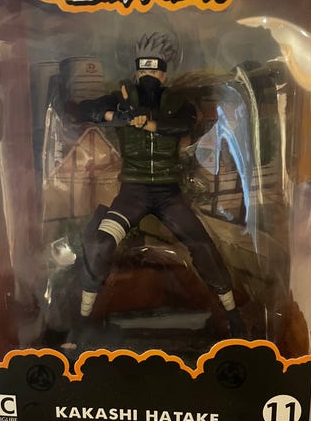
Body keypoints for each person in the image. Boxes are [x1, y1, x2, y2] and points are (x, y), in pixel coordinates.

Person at [75, 32, 246, 336]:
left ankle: (232, 314)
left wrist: (150, 122)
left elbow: (183, 123)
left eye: (155, 71)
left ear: (164, 73)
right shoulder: (121, 99)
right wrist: (116, 115)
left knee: (202, 245)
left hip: (169, 195)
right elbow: (83, 109)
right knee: (101, 244)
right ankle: (82, 320)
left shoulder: (178, 103)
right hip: (133, 193)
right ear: (136, 70)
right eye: (144, 69)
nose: (149, 76)